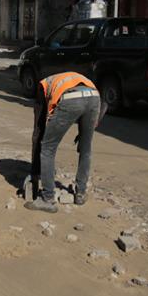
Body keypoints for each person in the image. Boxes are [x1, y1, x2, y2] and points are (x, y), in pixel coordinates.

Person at [26, 72, 106, 213]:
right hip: (95, 98)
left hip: (70, 99)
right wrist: (84, 133)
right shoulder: (70, 79)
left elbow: (38, 130)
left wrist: (34, 172)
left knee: (47, 148)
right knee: (86, 148)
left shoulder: (43, 86)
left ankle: (47, 198)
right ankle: (80, 193)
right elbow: (103, 105)